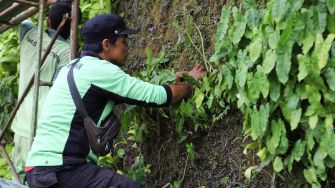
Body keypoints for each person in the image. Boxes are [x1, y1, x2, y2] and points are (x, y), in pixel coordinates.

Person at [25, 14, 205, 188]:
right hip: (60, 170)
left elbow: (133, 90)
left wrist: (176, 82)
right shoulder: (100, 71)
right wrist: (190, 83)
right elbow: (158, 96)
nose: (127, 47)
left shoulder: (70, 68)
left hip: (39, 169)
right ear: (106, 45)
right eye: (123, 41)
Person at [11, 0, 78, 181]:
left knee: (17, 180)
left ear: (48, 21)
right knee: (39, 181)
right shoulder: (68, 54)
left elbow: (19, 16)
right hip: (43, 132)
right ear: (74, 26)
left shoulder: (29, 34)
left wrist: (45, 3)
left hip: (20, 124)